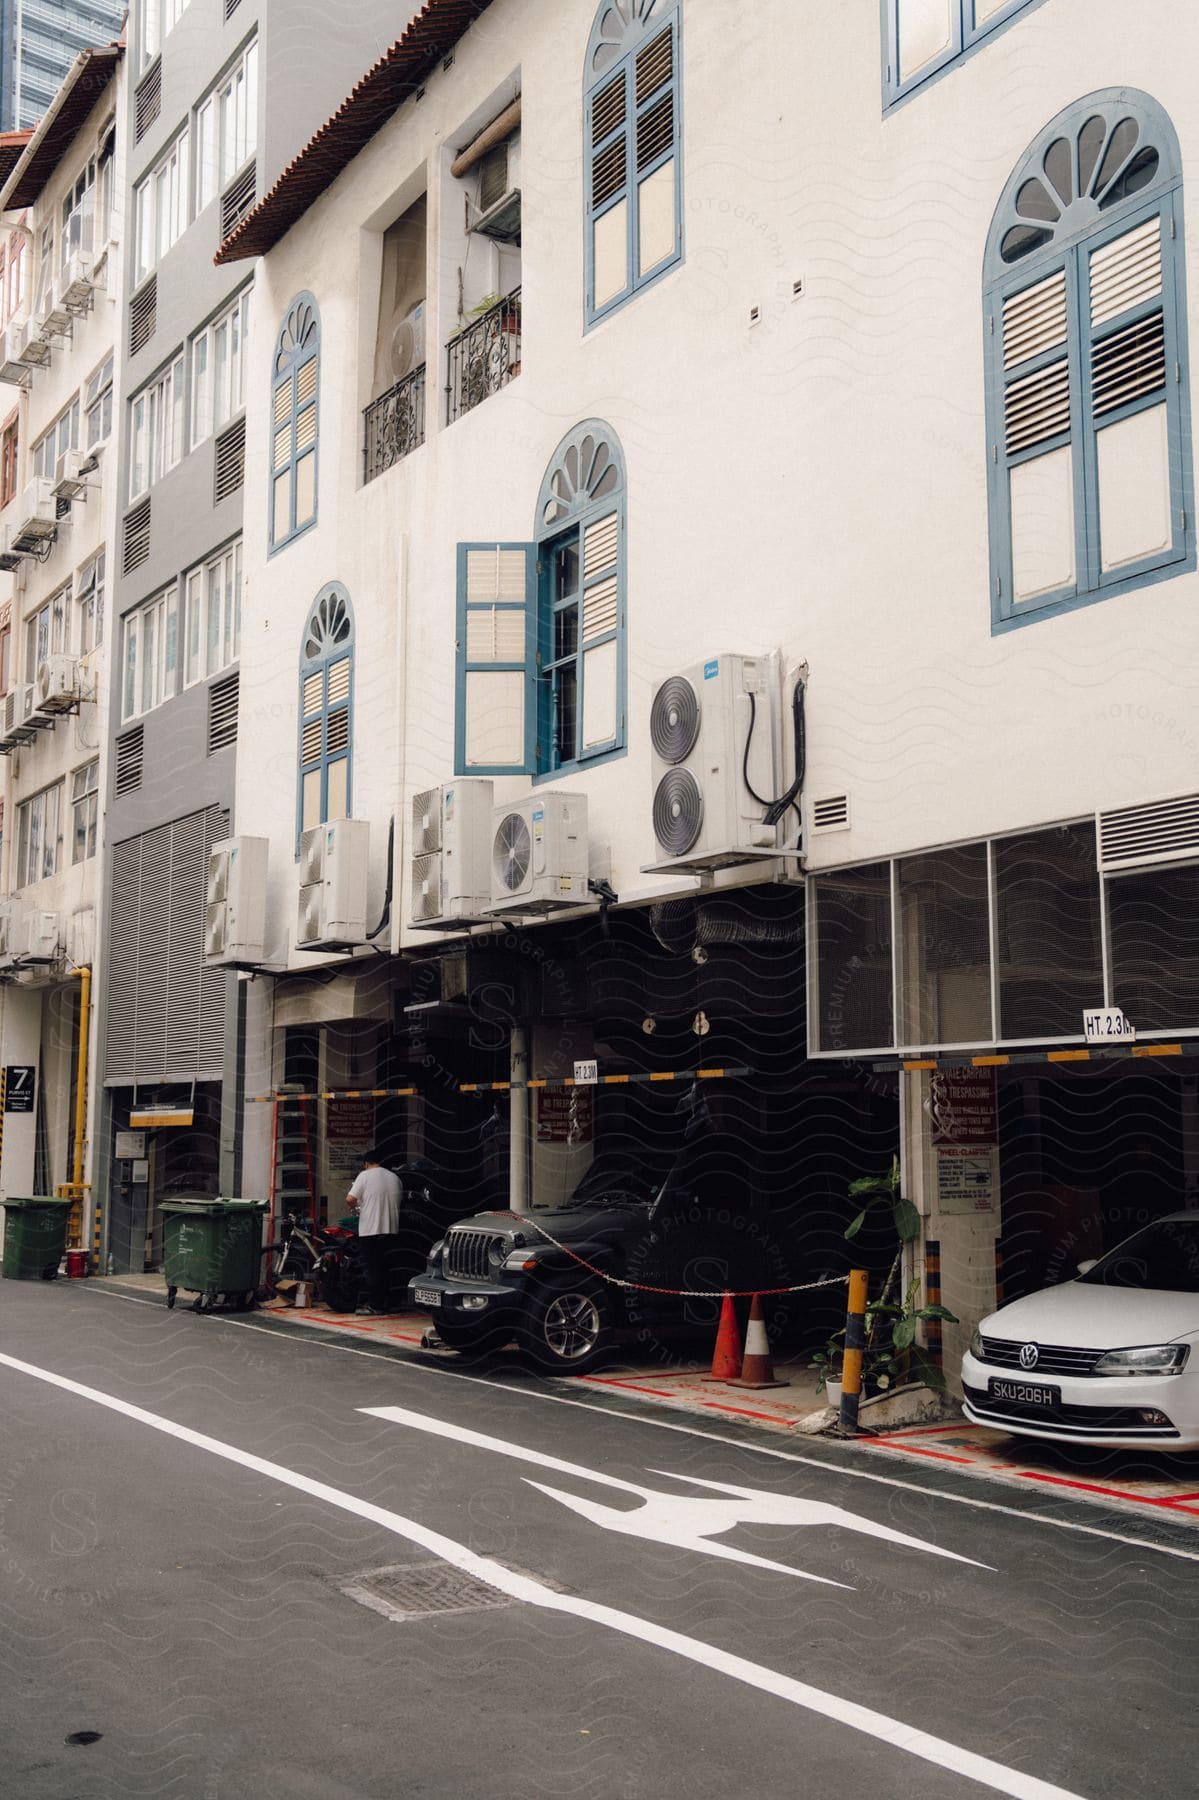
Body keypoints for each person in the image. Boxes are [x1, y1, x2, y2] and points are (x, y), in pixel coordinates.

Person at [346, 1150, 402, 1315]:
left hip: (370, 1230)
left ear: (366, 1163)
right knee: (387, 1267)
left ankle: (376, 1305)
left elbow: (350, 1199)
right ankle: (391, 1302)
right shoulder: (395, 1177)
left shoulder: (364, 1175)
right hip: (391, 1229)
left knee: (373, 1268)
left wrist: (356, 1209)